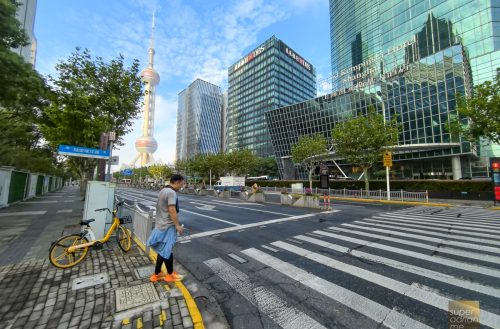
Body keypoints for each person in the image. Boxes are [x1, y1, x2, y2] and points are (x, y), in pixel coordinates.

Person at [147, 174, 185, 283]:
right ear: (177, 182)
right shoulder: (172, 193)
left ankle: (157, 274)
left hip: (160, 225)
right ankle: (170, 275)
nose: (181, 187)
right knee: (167, 251)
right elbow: (172, 209)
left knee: (163, 250)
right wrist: (177, 225)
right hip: (168, 226)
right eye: (181, 184)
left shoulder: (163, 190)